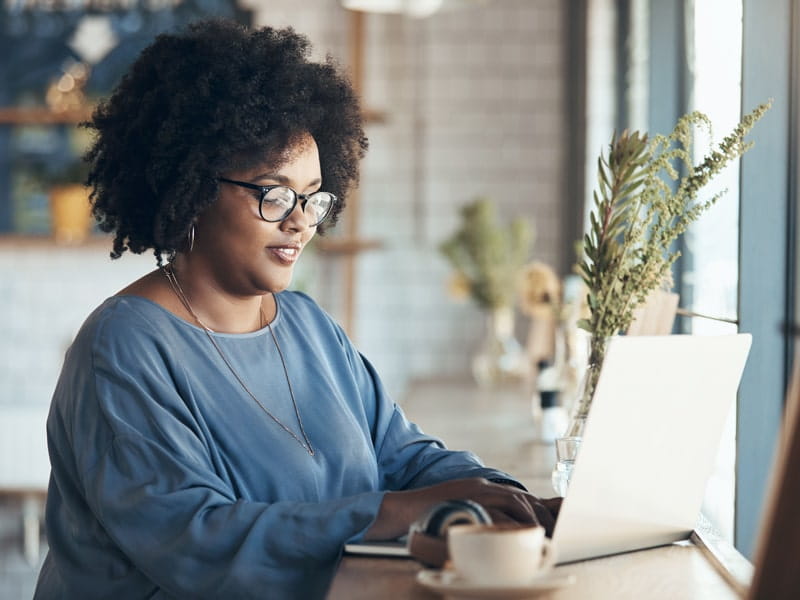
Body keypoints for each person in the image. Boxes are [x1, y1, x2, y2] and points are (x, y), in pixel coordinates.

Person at [34, 18, 559, 600]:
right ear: (192, 189)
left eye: (313, 196)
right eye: (273, 192)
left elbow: (405, 457)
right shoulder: (124, 346)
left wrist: (513, 498)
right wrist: (398, 512)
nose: (301, 219)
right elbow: (195, 541)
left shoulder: (309, 326)